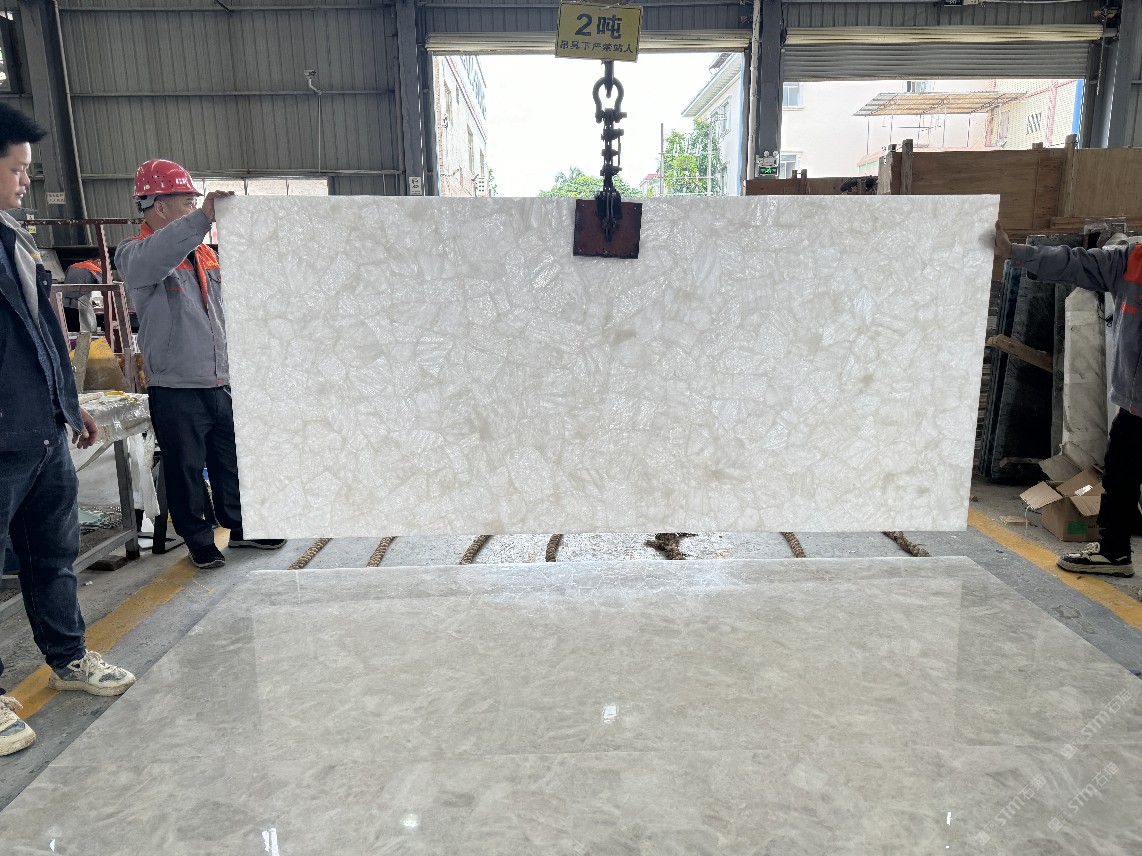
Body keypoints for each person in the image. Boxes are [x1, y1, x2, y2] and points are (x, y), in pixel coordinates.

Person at [0, 104, 135, 757]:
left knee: (51, 556)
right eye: (16, 168)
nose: (26, 180)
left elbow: (44, 332)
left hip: (42, 431)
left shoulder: (15, 240)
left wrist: (67, 402)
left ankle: (68, 657)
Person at [115, 160, 286, 569]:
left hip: (220, 380)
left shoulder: (206, 254)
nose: (194, 208)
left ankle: (242, 526)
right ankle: (199, 539)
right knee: (186, 467)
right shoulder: (136, 254)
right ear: (159, 206)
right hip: (175, 386)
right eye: (187, 201)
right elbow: (160, 253)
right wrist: (202, 218)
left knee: (230, 460)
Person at [995, 221, 1140, 577]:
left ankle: (1114, 551)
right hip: (1136, 407)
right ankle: (1114, 553)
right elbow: (1075, 262)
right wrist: (1014, 252)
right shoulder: (1130, 261)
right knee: (1120, 474)